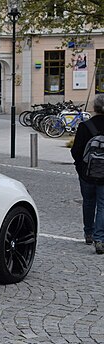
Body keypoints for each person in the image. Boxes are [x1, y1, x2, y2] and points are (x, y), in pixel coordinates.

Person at [71, 94, 104, 254]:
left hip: (87, 173)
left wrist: (80, 168)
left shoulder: (85, 126)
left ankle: (88, 233)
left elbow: (75, 150)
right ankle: (100, 238)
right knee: (103, 205)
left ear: (94, 108)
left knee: (88, 202)